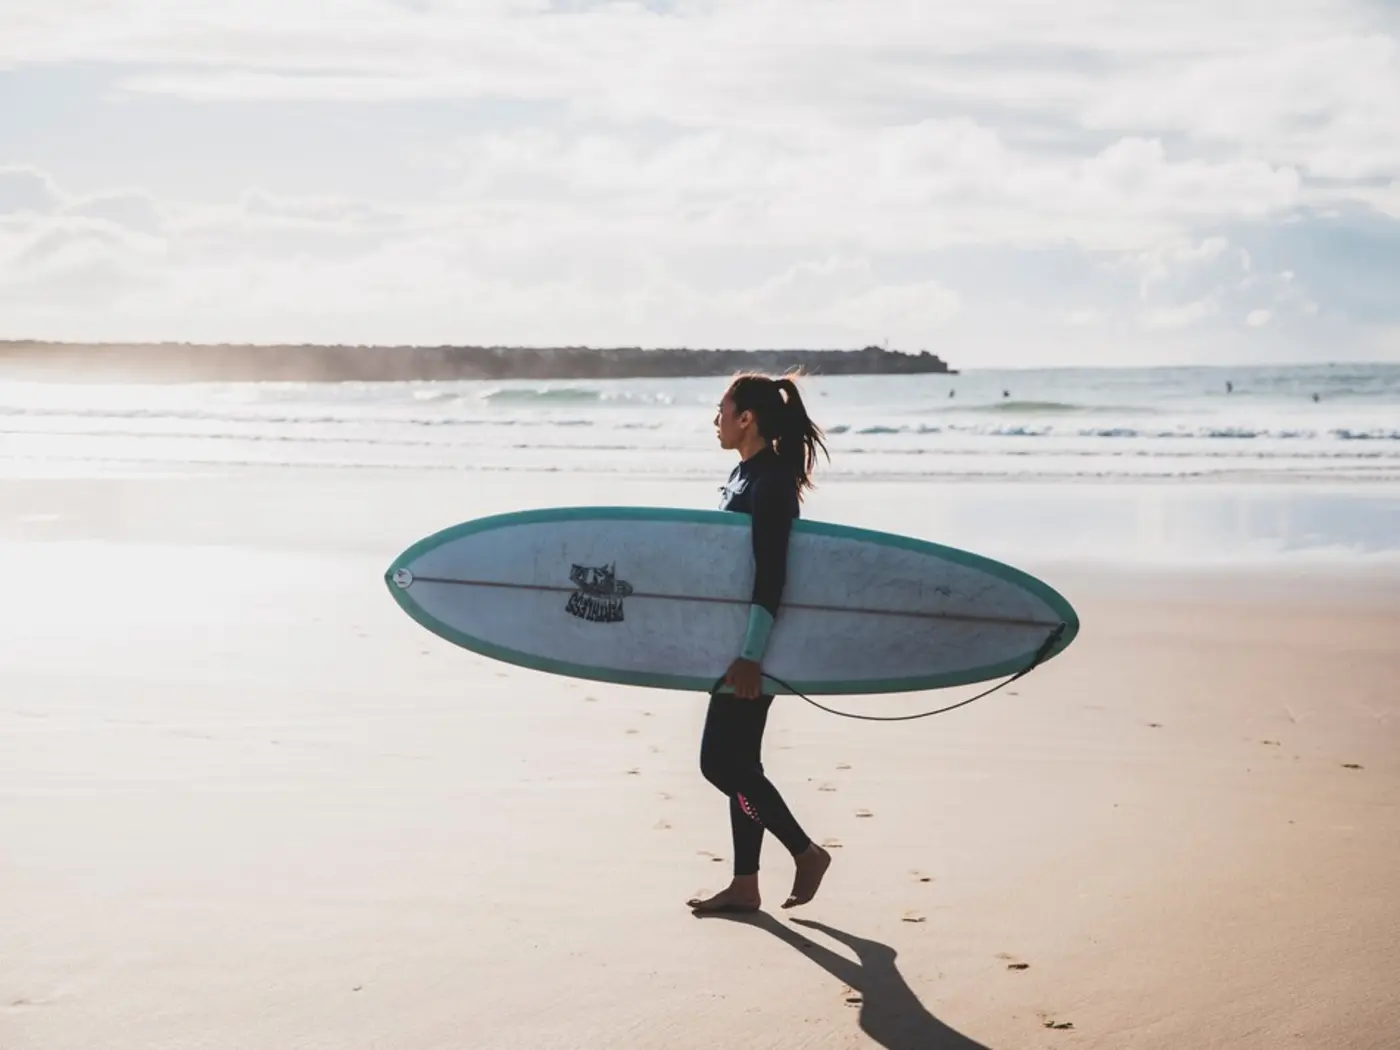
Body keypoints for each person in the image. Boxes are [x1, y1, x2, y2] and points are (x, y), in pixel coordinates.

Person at [686, 371, 833, 914]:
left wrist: (751, 655)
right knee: (741, 762)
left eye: (721, 408)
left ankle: (805, 851)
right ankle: (746, 883)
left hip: (754, 646)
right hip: (737, 643)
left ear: (746, 417)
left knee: (720, 765)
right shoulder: (745, 474)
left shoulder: (769, 483)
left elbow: (771, 574)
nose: (716, 419)